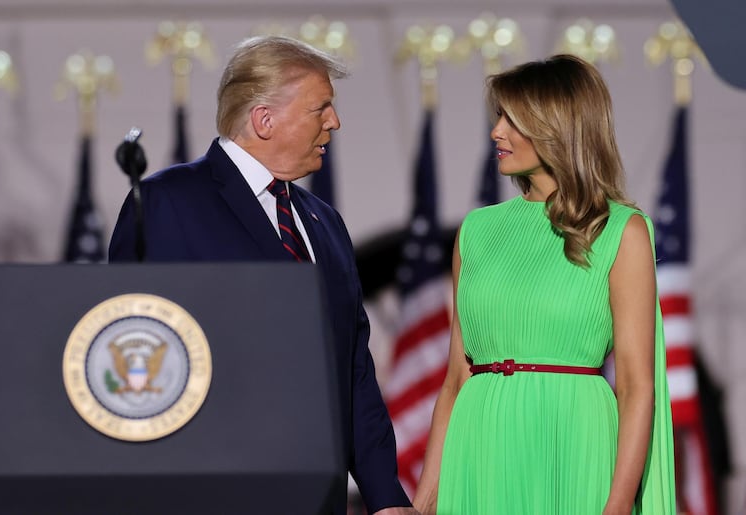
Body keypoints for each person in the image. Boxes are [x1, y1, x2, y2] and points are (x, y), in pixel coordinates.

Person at [108, 35, 417, 515]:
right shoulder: (167, 203)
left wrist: (385, 497)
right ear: (264, 119)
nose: (335, 122)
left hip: (318, 496)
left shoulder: (325, 223)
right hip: (209, 493)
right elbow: (130, 350)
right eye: (322, 108)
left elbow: (354, 370)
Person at [412, 54, 676, 514]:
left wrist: (616, 508)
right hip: (480, 451)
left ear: (559, 126)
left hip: (574, 448)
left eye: (513, 119)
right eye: (498, 116)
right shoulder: (475, 231)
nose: (496, 131)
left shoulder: (621, 230)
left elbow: (636, 386)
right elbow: (455, 381)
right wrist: (426, 500)